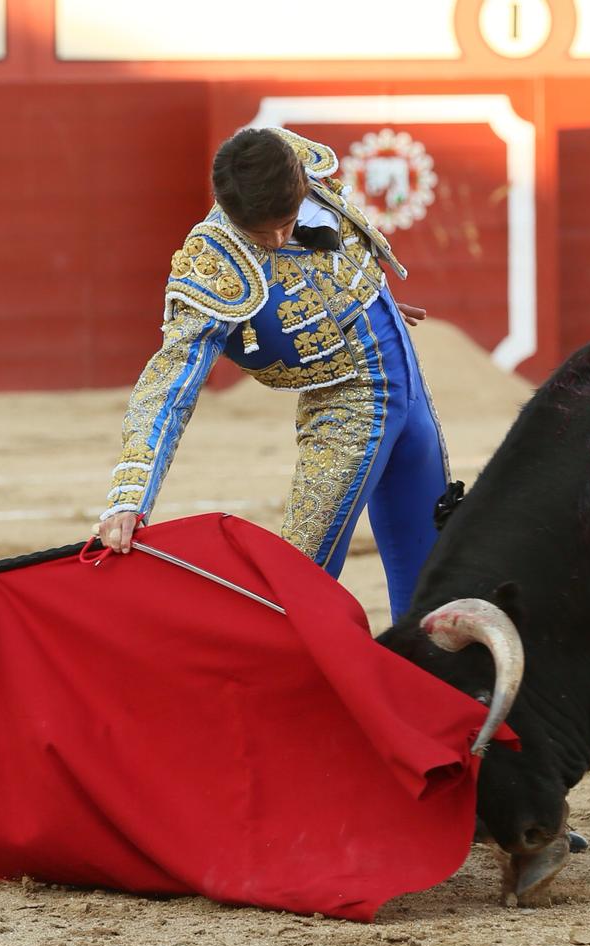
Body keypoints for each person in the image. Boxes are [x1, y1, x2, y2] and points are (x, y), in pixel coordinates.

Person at [96, 127, 450, 621]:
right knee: (299, 577)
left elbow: (339, 245)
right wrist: (129, 496)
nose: (278, 239)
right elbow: (168, 385)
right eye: (260, 234)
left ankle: (428, 686)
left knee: (431, 556)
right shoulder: (211, 264)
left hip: (409, 383)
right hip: (347, 405)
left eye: (284, 223)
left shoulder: (295, 163)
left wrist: (368, 296)